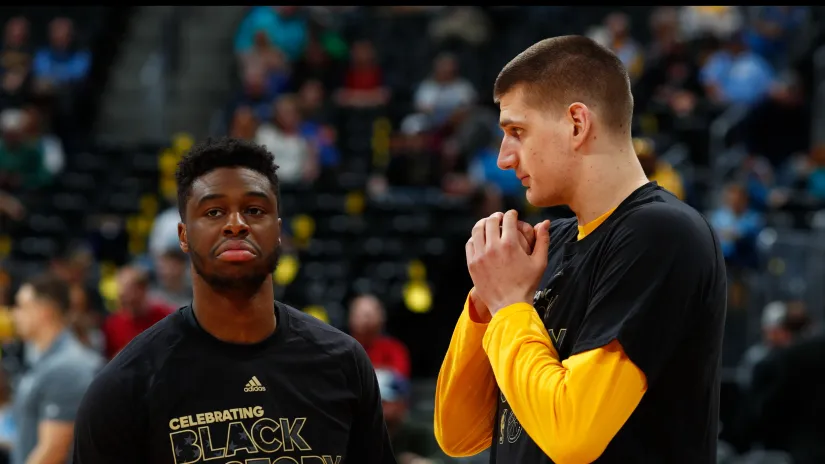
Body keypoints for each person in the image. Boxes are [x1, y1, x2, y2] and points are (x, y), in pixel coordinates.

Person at [434, 36, 727, 463]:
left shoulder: (661, 234)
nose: (504, 158)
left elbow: (573, 437)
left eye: (517, 132)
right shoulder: (547, 246)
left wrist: (510, 304)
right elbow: (458, 434)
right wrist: (486, 300)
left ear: (576, 124)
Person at [72, 137, 396, 463]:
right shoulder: (126, 385)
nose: (236, 225)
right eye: (214, 212)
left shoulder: (343, 362)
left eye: (254, 210)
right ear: (184, 236)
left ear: (278, 232)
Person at [10, 273, 102, 464]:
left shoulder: (68, 366)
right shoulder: (43, 360)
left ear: (44, 311)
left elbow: (54, 450)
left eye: (21, 306)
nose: (14, 314)